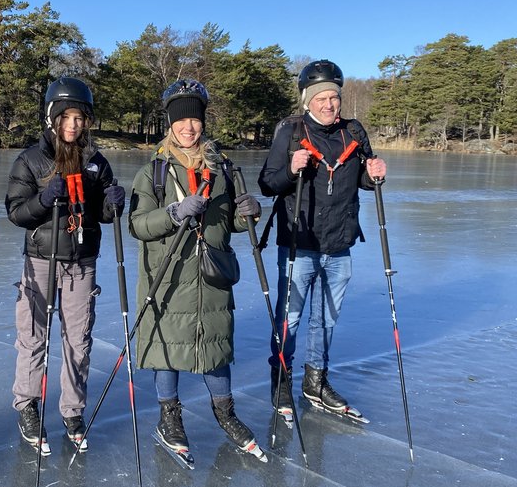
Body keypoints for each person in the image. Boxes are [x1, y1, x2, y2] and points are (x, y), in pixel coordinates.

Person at [128, 79, 265, 461]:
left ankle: (226, 414)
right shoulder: (151, 173)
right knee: (167, 348)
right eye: (181, 121)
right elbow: (137, 225)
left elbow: (229, 224)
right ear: (169, 123)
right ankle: (169, 418)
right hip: (168, 273)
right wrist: (173, 212)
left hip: (212, 273)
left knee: (215, 347)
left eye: (196, 120)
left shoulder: (221, 169)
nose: (189, 128)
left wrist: (249, 214)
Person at [258, 60, 386, 419]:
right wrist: (291, 169)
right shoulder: (290, 130)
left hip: (340, 245)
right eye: (321, 98)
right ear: (307, 100)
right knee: (291, 319)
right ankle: (281, 381)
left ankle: (315, 381)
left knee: (326, 320)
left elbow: (361, 177)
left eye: (334, 97)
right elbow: (268, 184)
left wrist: (374, 174)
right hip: (299, 243)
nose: (329, 104)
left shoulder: (354, 131)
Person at [5, 76, 124, 452]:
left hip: (81, 261)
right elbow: (16, 212)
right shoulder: (30, 159)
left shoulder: (95, 162)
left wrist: (115, 203)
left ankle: (72, 411)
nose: (72, 125)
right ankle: (27, 404)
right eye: (65, 117)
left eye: (79, 118)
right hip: (40, 259)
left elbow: (103, 213)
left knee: (78, 340)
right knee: (33, 337)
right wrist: (44, 200)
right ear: (52, 118)